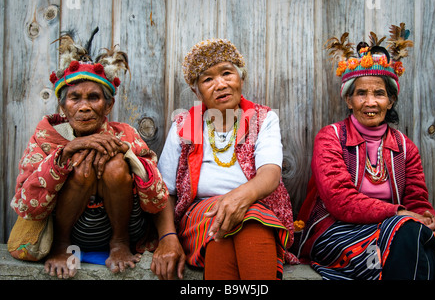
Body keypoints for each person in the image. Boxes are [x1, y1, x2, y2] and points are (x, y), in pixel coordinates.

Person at [10, 30, 169, 279]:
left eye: (93, 97)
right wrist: (64, 155)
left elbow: (157, 199)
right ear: (63, 106)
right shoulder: (46, 137)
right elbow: (26, 206)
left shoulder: (125, 134)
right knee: (81, 163)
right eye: (75, 98)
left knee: (114, 163)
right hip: (73, 232)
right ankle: (62, 246)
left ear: (108, 105)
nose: (84, 106)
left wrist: (127, 155)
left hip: (124, 228)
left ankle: (118, 243)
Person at [294, 23, 435, 280]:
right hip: (334, 229)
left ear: (391, 100)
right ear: (348, 100)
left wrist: (428, 219)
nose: (370, 102)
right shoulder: (330, 137)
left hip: (396, 226)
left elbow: (417, 200)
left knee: (416, 235)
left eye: (379, 93)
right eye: (361, 93)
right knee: (410, 239)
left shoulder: (405, 147)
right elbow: (340, 201)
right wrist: (399, 214)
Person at [151, 38, 298, 280]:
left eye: (227, 73)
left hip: (252, 209)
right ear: (196, 91)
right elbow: (165, 190)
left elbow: (270, 174)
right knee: (240, 220)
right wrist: (167, 237)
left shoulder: (264, 119)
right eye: (208, 79)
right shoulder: (183, 126)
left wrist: (237, 200)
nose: (220, 84)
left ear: (241, 79)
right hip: (199, 215)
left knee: (238, 225)